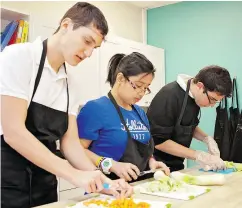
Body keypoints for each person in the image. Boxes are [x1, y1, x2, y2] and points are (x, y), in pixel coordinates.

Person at [0, 2, 132, 208]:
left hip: (45, 184)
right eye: (87, 41)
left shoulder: (70, 83)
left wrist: (103, 180)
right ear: (65, 25)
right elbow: (13, 132)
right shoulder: (18, 57)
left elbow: (70, 143)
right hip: (7, 182)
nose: (89, 53)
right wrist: (73, 174)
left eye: (94, 48)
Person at [77, 52, 170, 182]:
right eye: (138, 86)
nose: (141, 93)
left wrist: (152, 161)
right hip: (105, 189)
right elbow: (76, 151)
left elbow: (143, 149)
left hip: (138, 188)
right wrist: (111, 165)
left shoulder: (140, 113)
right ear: (120, 78)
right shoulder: (95, 109)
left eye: (146, 88)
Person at [146, 66, 232, 172]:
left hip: (176, 166)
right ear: (200, 86)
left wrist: (207, 139)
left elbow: (187, 125)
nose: (212, 105)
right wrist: (198, 155)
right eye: (212, 100)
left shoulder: (193, 97)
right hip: (156, 166)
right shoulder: (169, 95)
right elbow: (158, 141)